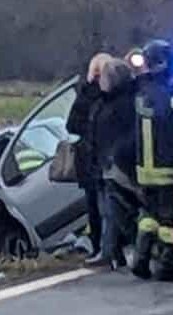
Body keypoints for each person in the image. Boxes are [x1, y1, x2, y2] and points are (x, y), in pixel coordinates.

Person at [131, 39, 173, 282]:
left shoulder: (140, 93)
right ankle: (166, 265)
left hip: (144, 170)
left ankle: (140, 259)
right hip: (167, 170)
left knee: (148, 216)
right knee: (169, 221)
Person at [97, 55, 142, 271]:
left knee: (118, 210)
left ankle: (129, 249)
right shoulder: (115, 101)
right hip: (112, 163)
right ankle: (113, 251)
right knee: (112, 211)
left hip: (119, 164)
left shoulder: (122, 104)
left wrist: (117, 156)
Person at [66, 52, 110, 264]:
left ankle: (99, 247)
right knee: (107, 208)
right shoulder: (112, 95)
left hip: (89, 160)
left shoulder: (85, 96)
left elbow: (71, 125)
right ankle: (109, 248)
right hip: (104, 160)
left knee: (95, 208)